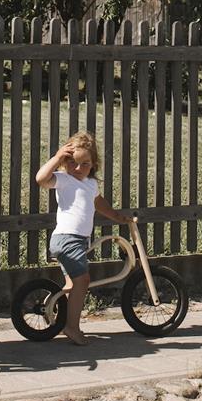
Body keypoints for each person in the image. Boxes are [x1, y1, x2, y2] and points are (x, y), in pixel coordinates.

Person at [36, 131, 132, 345]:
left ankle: (56, 313)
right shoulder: (63, 179)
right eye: (72, 163)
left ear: (93, 163)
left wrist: (119, 217)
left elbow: (101, 205)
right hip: (66, 239)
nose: (78, 169)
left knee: (72, 284)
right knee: (83, 281)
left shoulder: (90, 184)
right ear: (65, 162)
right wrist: (57, 158)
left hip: (76, 241)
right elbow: (40, 179)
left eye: (84, 164)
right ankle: (72, 327)